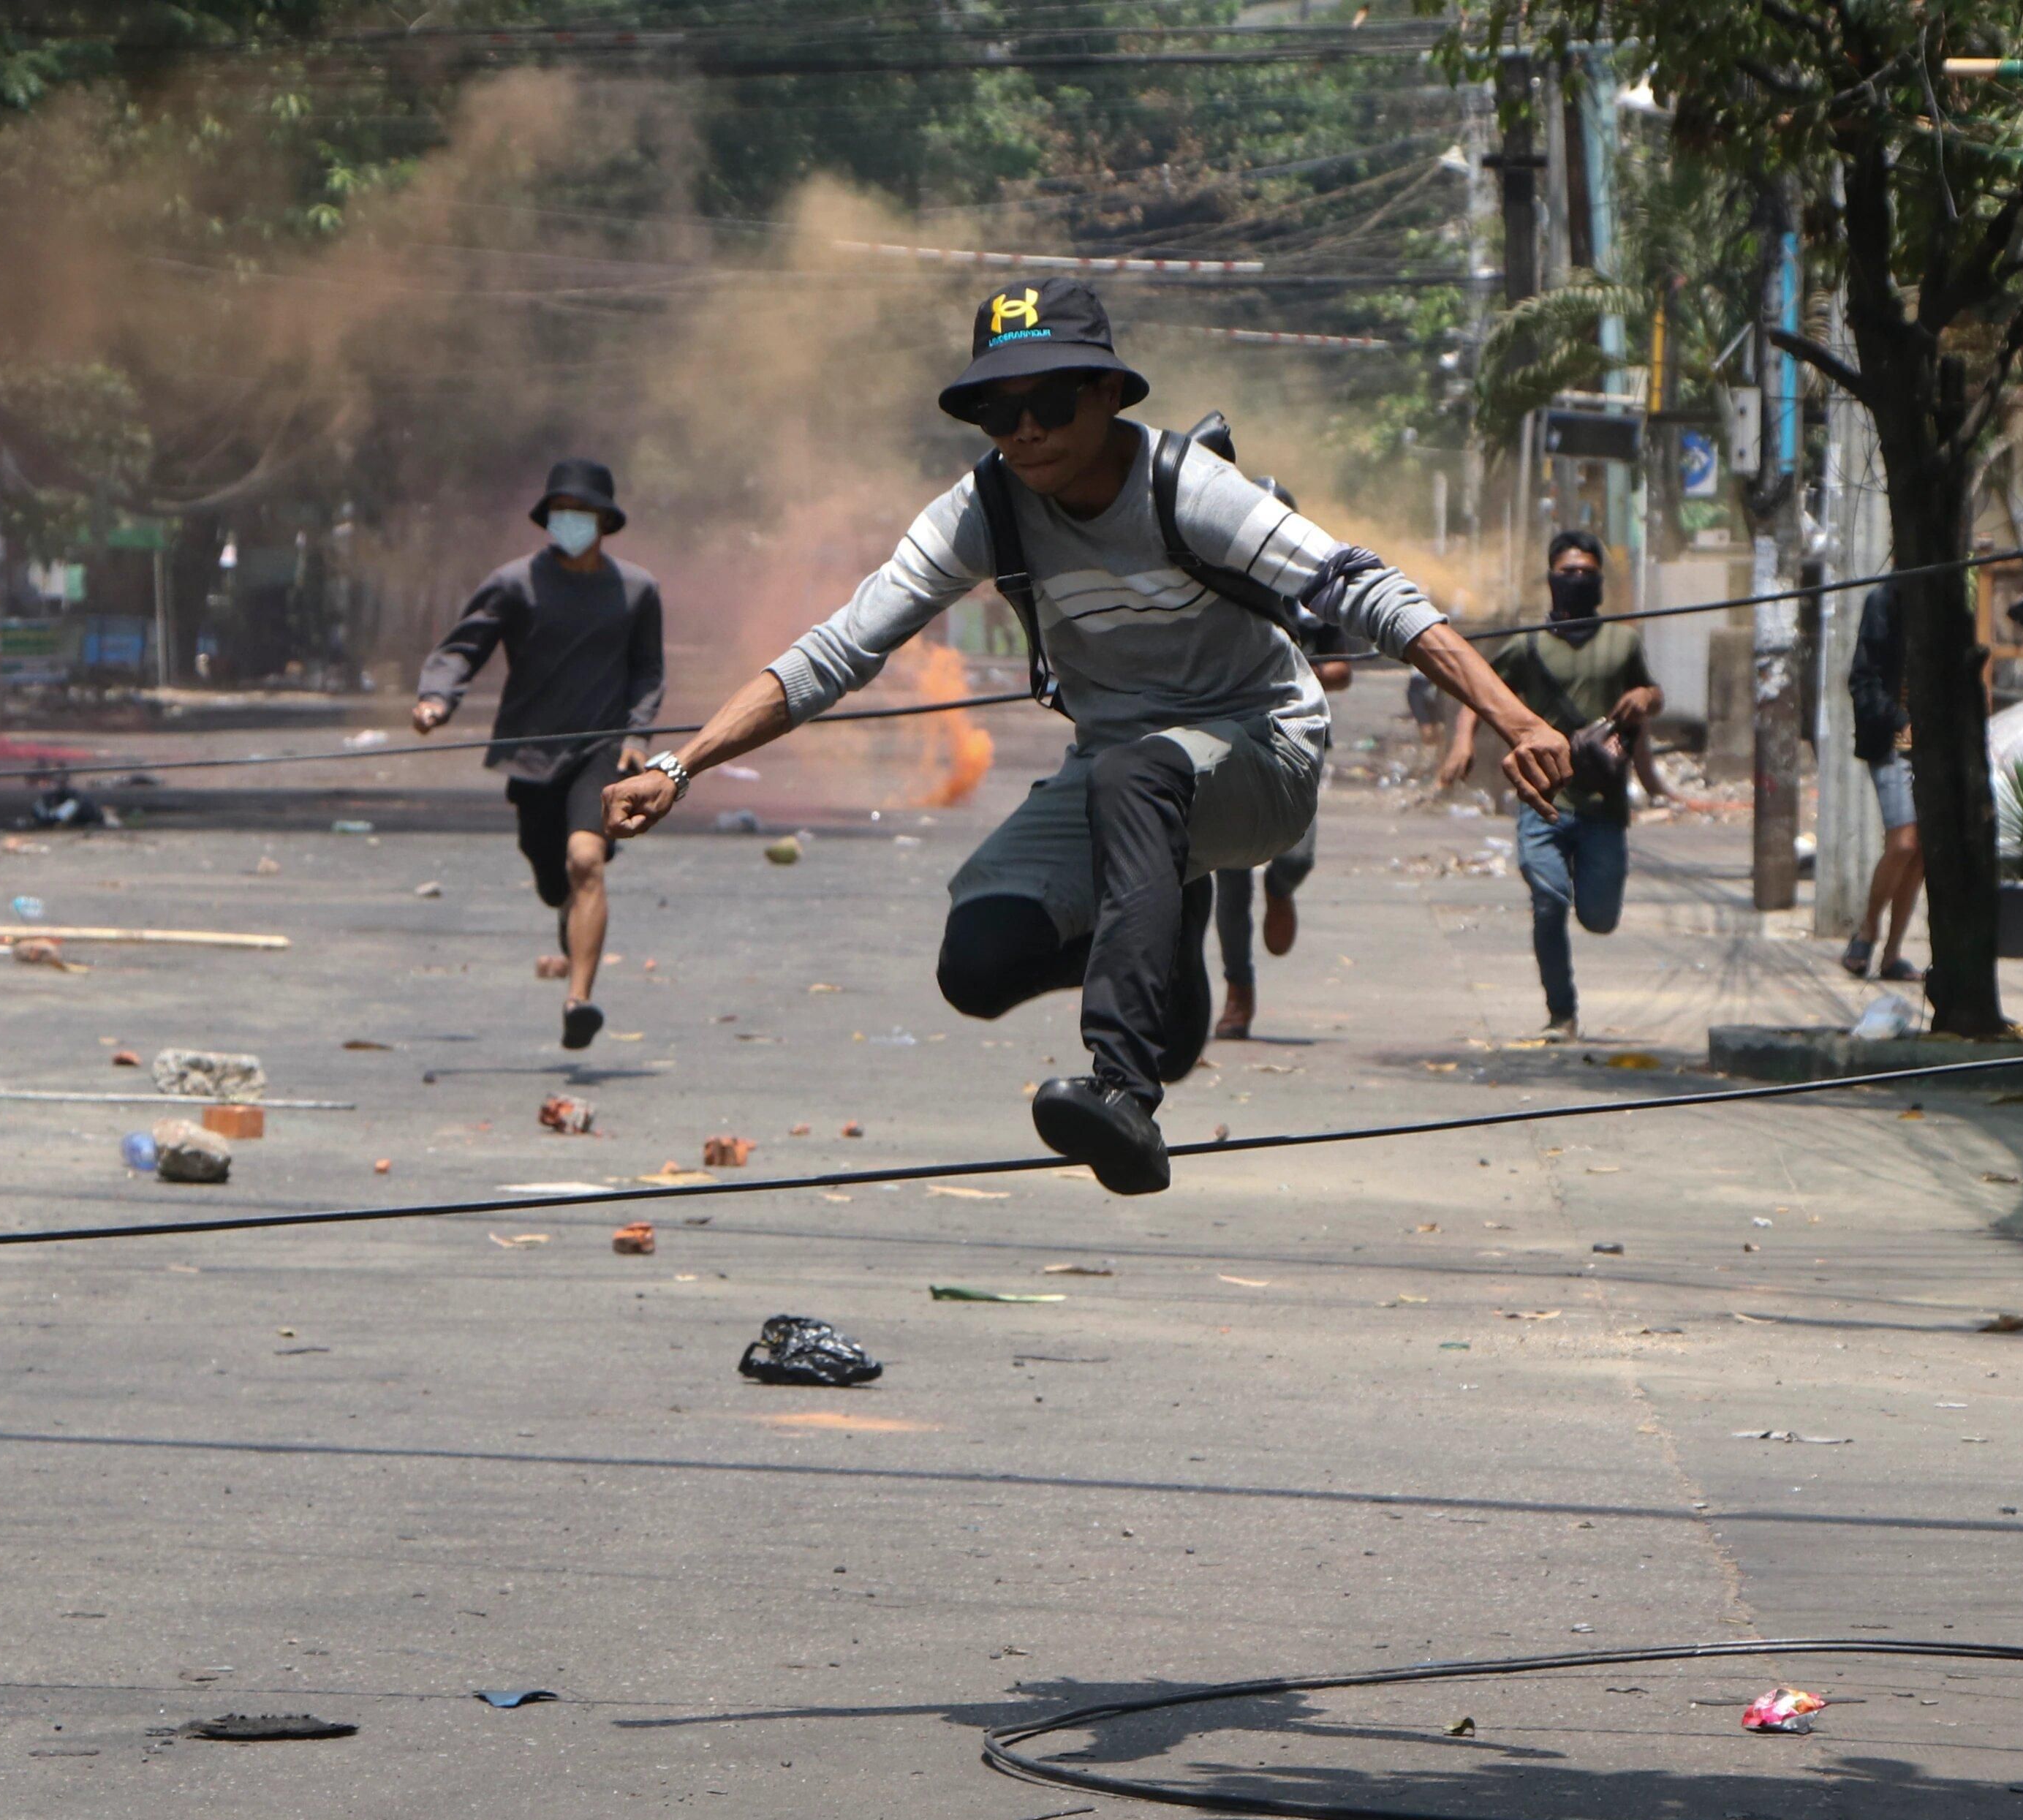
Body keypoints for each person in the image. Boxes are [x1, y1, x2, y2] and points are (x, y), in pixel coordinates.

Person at [603, 278, 1569, 1194]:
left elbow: (1368, 588)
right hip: (1124, 775)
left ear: (1106, 392)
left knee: (1140, 774)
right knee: (978, 964)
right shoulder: (986, 510)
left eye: (1052, 403)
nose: (1025, 431)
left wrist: (1514, 717)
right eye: (998, 411)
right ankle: (1162, 937)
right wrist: (678, 764)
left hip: (1260, 755)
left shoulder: (1184, 487)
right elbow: (840, 647)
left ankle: (1126, 1098)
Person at [416, 458, 662, 1052]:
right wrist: (436, 698)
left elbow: (647, 670)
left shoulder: (636, 591)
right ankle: (567, 915)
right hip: (530, 753)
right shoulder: (515, 583)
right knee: (554, 877)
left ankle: (579, 1000)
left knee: (587, 861)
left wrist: (636, 737)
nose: (570, 522)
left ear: (604, 520)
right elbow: (464, 646)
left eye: (581, 512)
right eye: (561, 512)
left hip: (600, 750)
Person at [1437, 530, 1661, 1042]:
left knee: (1600, 918)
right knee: (1548, 901)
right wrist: (1462, 743)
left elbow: (1651, 696)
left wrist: (1647, 698)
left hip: (1603, 805)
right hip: (1544, 800)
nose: (1577, 580)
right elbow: (1479, 692)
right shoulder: (1526, 646)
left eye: (1586, 572)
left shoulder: (1623, 644)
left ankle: (1584, 922)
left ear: (1600, 581)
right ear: (1551, 579)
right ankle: (1562, 1012)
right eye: (1568, 571)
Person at [1211, 475, 1346, 1041]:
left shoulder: (1311, 596)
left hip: (1299, 741)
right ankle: (1238, 993)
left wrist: (1286, 674)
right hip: (1230, 741)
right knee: (1231, 875)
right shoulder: (1213, 589)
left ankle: (1284, 888)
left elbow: (1341, 669)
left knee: (1297, 855)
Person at [1842, 580, 1922, 981]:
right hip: (1893, 742)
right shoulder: (1885, 600)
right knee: (1904, 840)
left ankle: (1892, 955)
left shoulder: (1948, 600)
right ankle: (1868, 927)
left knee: (1920, 853)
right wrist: (1899, 719)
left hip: (1935, 747)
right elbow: (1862, 680)